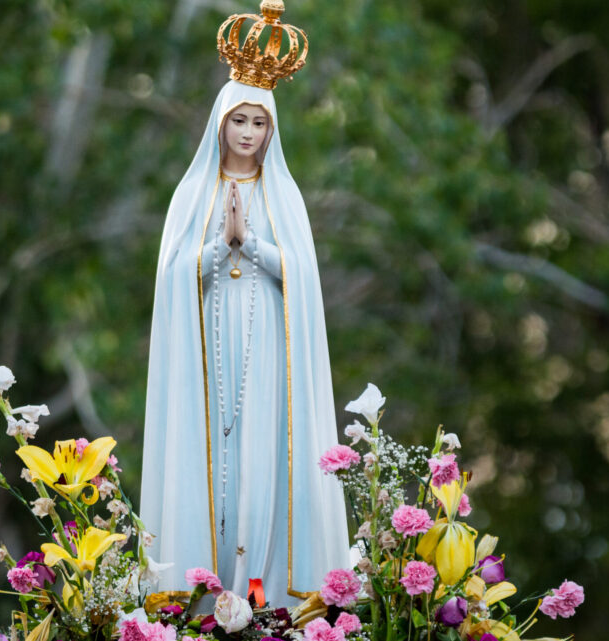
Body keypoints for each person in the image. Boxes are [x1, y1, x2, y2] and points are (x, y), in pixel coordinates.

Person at [139, 2, 348, 603]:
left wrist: (250, 245)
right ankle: (206, 599)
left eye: (260, 122)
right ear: (221, 124)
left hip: (267, 364)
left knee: (261, 465)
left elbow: (303, 278)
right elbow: (172, 274)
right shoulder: (192, 194)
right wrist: (215, 249)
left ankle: (263, 596)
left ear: (271, 130)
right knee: (213, 463)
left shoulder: (284, 195)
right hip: (209, 353)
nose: (249, 133)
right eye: (240, 121)